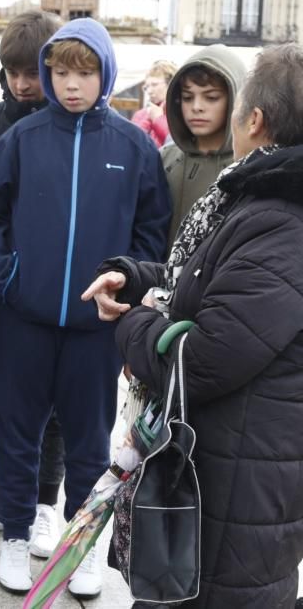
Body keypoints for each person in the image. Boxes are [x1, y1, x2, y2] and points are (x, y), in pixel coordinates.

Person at [83, 42, 303, 609]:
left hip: (238, 497)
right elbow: (205, 278)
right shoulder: (261, 198)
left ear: (253, 120)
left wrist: (133, 325)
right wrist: (133, 277)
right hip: (227, 478)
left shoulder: (282, 220)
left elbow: (201, 360)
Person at [0, 18, 171, 596]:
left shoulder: (134, 146)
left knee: (90, 440)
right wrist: (5, 275)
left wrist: (127, 289)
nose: (70, 84)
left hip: (95, 328)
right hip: (21, 321)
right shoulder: (23, 138)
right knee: (15, 432)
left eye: (83, 71)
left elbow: (152, 230)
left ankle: (82, 549)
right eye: (59, 71)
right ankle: (14, 535)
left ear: (105, 72)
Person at [0, 9, 66, 559]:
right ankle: (8, 499)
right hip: (2, 295)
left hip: (61, 297)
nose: (23, 84)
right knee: (6, 405)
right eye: (13, 72)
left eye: (32, 71)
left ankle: (46, 506)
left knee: (54, 410)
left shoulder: (70, 123)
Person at [160, 45, 246, 244]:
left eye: (211, 97)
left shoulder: (250, 165)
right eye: (187, 97)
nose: (196, 107)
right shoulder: (163, 159)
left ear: (236, 99)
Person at [131, 60, 177, 147]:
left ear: (170, 84)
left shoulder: (179, 112)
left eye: (154, 85)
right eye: (147, 87)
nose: (149, 91)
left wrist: (158, 119)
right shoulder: (140, 115)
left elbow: (177, 145)